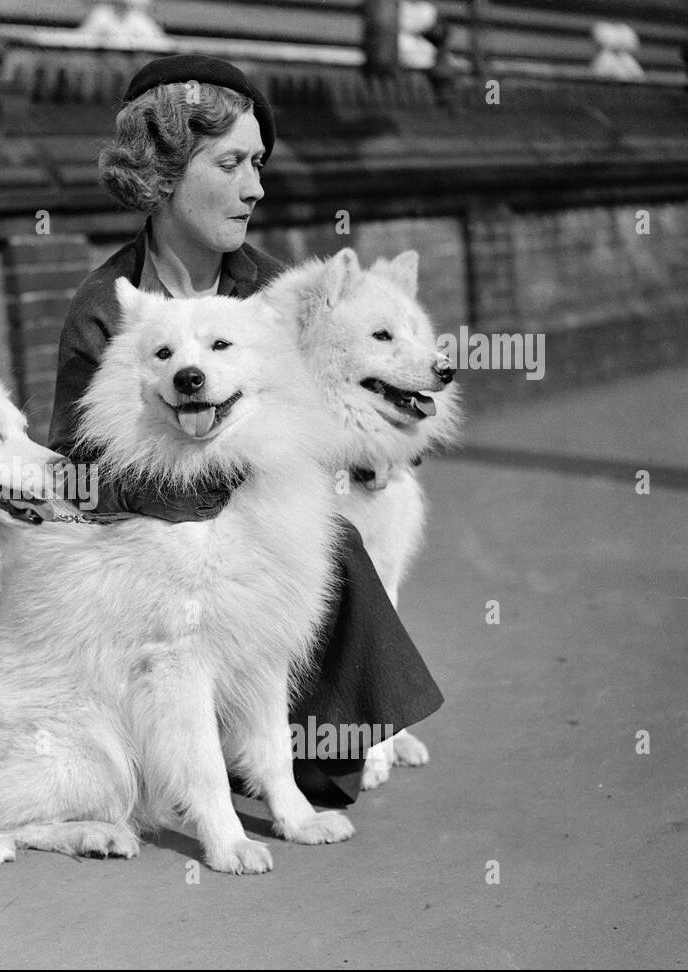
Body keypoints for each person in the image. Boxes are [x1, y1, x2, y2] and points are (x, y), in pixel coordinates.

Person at [47, 55, 443, 805]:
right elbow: (77, 477)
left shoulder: (266, 288)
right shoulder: (108, 307)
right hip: (150, 557)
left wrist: (370, 456)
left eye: (257, 164)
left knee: (339, 533)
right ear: (162, 171)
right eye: (230, 163)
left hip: (261, 552)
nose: (255, 187)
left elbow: (323, 400)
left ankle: (327, 724)